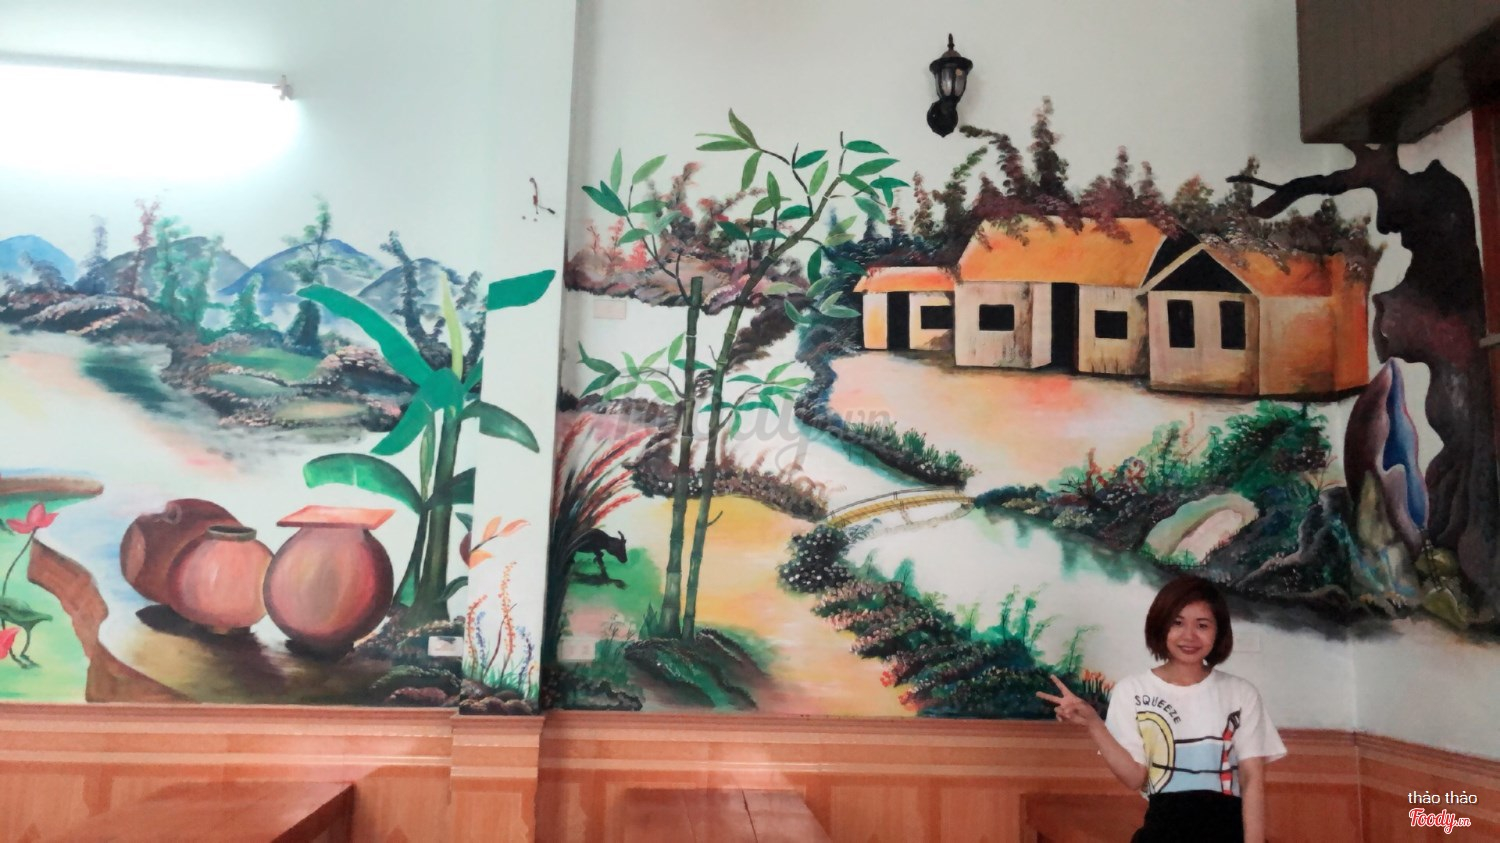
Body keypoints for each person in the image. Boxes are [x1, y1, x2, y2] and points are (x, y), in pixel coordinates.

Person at [1037, 575, 1285, 843]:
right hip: (1162, 832)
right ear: (1160, 625)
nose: (1189, 635)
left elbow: (1252, 779)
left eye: (1202, 625)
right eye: (1177, 623)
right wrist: (1094, 723)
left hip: (1229, 833)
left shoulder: (1241, 693)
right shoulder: (1132, 690)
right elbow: (1134, 778)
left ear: (1219, 631)